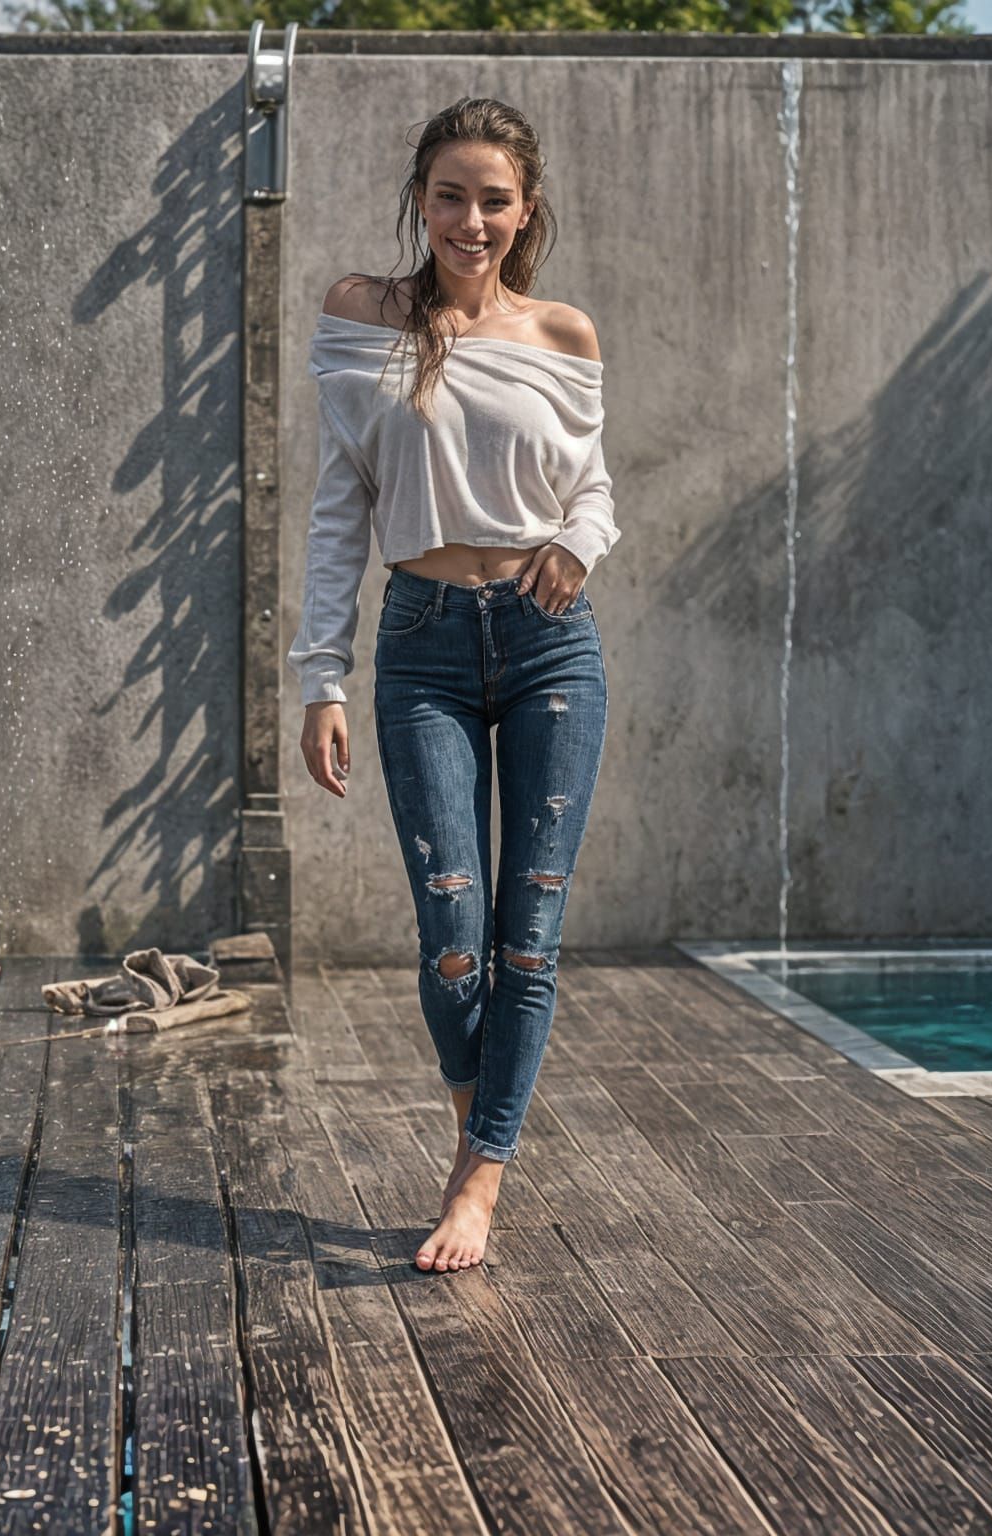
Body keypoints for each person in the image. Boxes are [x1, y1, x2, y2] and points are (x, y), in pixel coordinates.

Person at [286, 97, 620, 1275]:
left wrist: (578, 545)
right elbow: (340, 510)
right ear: (419, 198)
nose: (469, 219)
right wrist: (319, 674)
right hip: (421, 640)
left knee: (530, 934)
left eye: (493, 199)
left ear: (526, 212)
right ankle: (482, 1115)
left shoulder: (563, 336)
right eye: (448, 194)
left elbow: (591, 489)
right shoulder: (360, 316)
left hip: (549, 646)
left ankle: (479, 1177)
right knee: (454, 937)